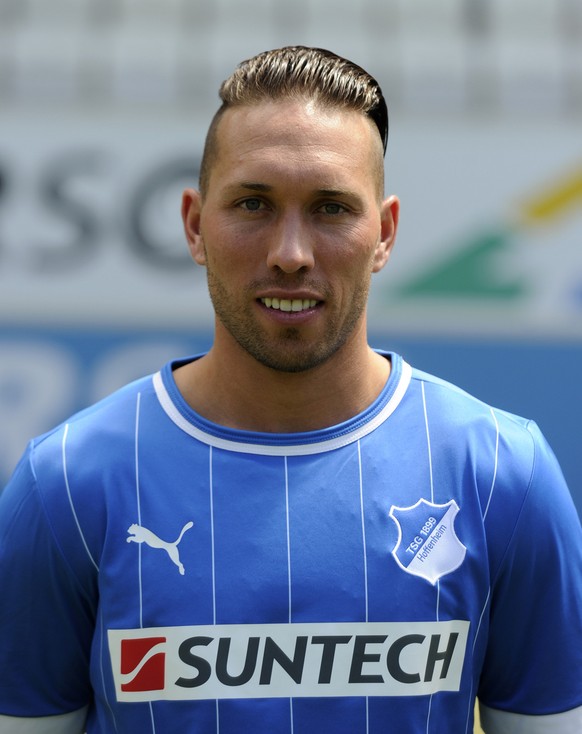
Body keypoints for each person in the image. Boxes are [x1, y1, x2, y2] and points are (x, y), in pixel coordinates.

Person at [0, 46, 580, 734]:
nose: (291, 252)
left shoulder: (500, 476)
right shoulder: (65, 482)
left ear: (385, 234)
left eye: (331, 208)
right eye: (253, 203)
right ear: (194, 225)